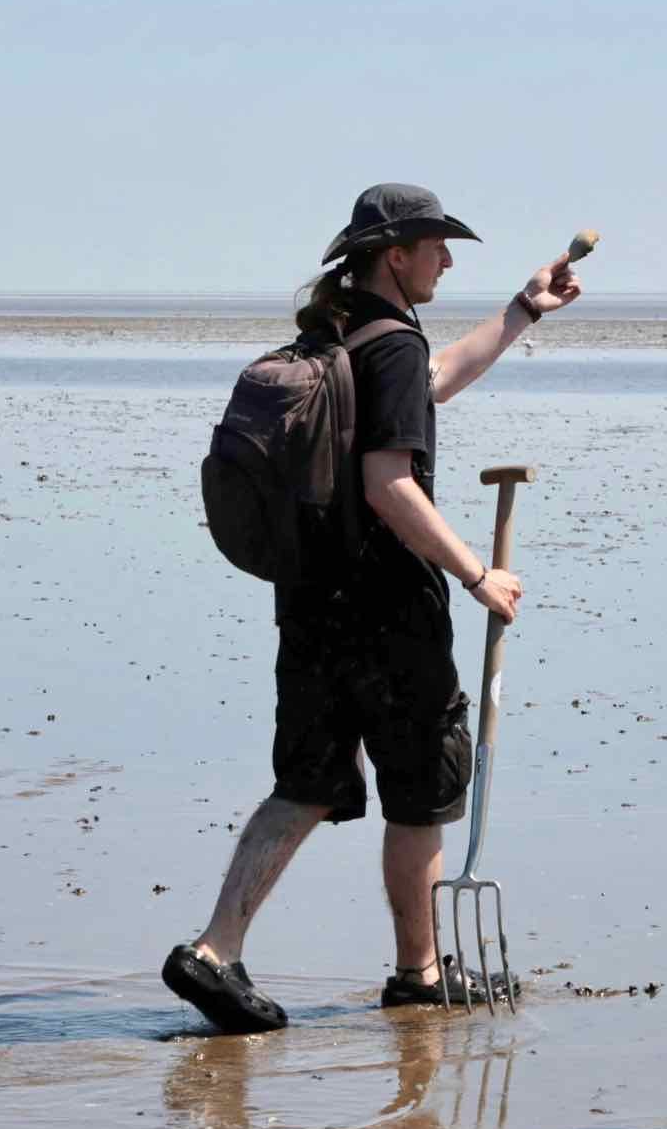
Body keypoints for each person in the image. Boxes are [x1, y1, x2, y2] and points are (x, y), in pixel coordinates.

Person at [164, 184, 581, 1029]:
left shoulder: (338, 332)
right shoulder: (389, 344)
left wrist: (522, 310)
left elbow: (434, 380)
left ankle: (214, 950)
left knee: (307, 782)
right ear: (396, 255)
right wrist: (476, 574)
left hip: (311, 600)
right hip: (389, 607)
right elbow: (389, 484)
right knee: (423, 786)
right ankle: (418, 974)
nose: (447, 261)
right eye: (435, 247)